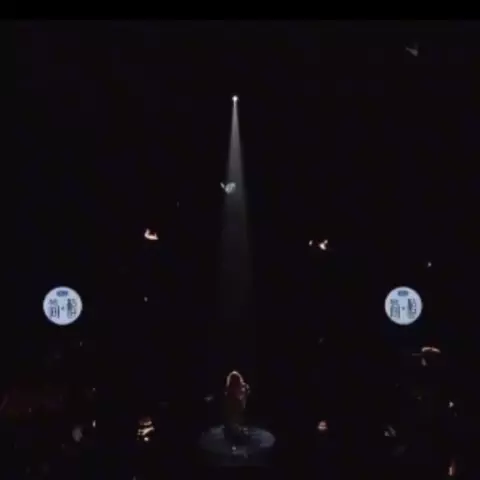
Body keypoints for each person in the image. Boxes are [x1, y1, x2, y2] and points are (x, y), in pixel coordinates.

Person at [224, 371, 250, 444]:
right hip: (232, 430)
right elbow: (233, 418)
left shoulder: (233, 397)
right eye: (239, 383)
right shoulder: (233, 400)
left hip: (233, 429)